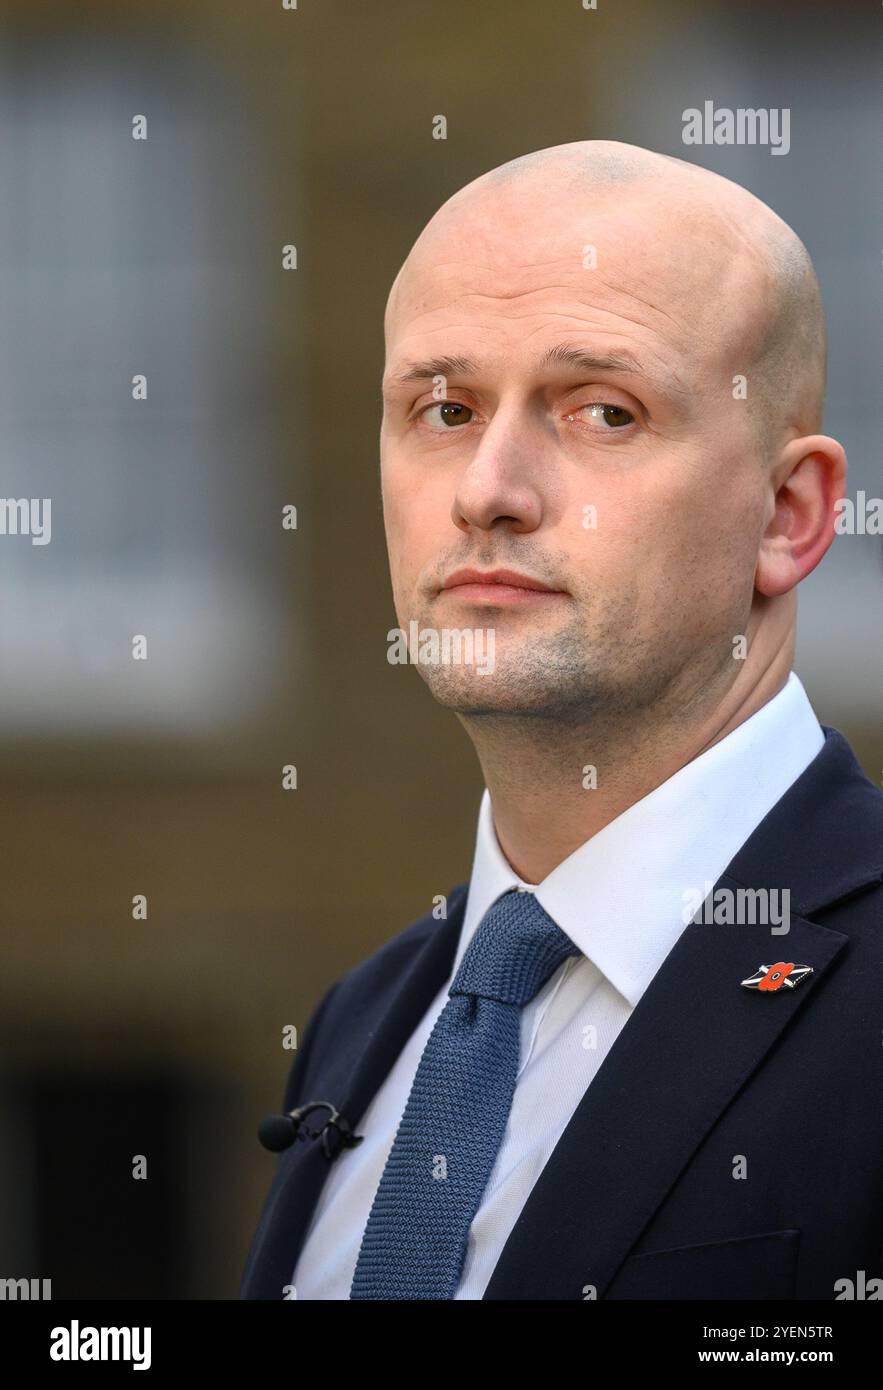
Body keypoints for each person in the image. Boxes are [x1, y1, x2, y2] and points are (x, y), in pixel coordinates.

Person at [241, 140, 883, 1301]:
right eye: (443, 407)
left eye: (601, 410)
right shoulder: (368, 1018)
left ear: (787, 516)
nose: (487, 488)